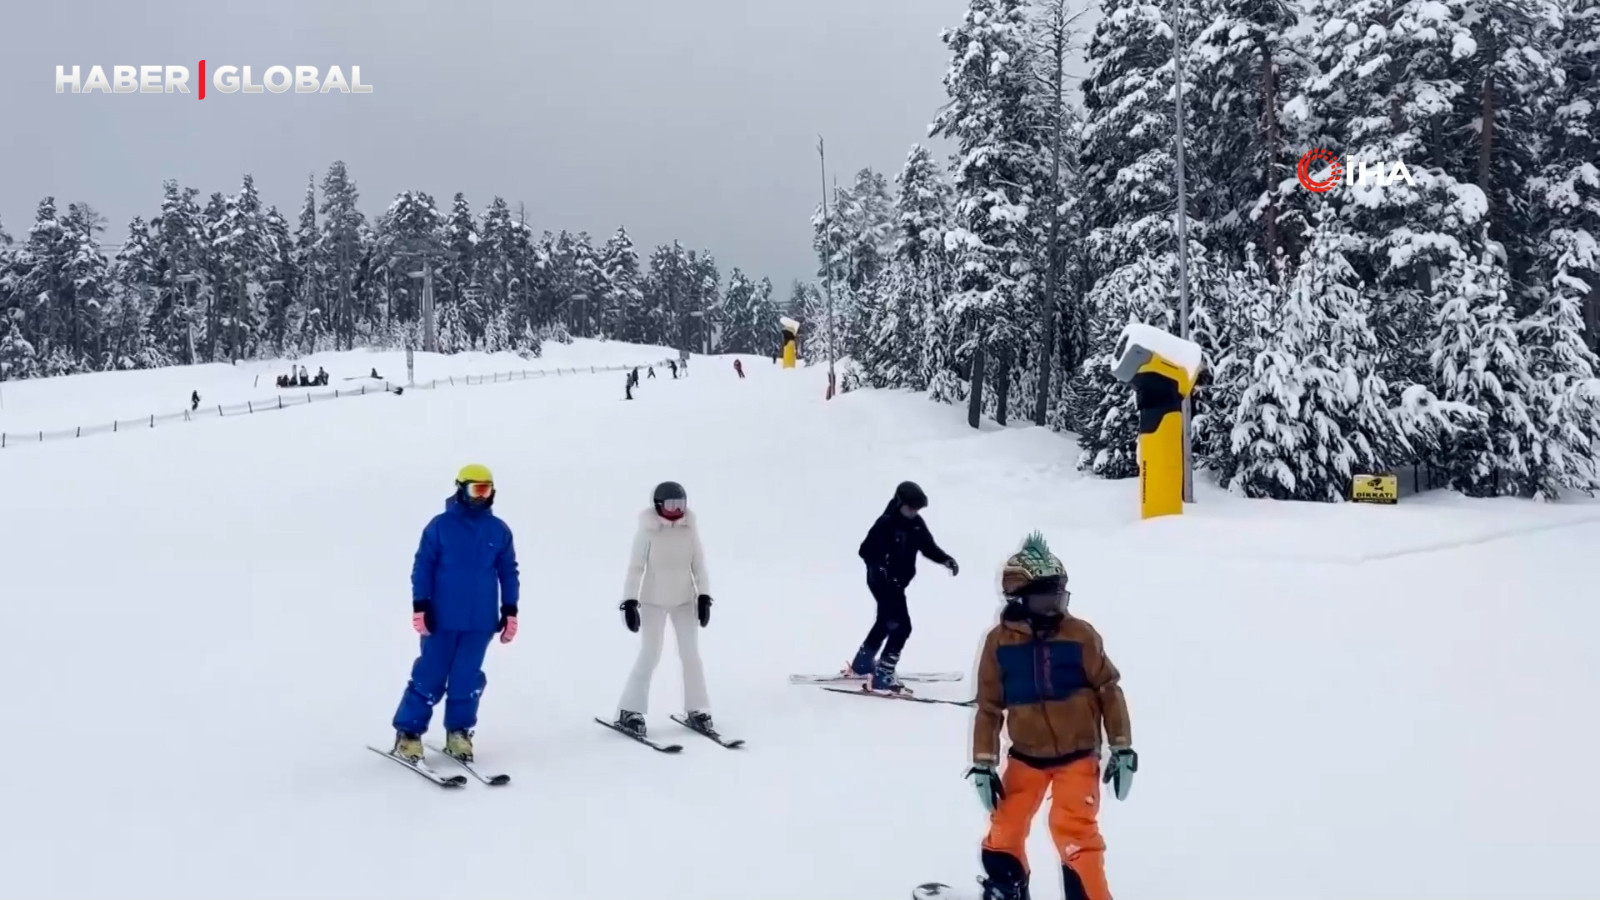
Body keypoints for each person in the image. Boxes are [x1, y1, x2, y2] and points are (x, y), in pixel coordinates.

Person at [967, 533, 1136, 900]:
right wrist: (983, 763)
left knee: (1074, 830)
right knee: (1005, 826)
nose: (1055, 607)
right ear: (1020, 599)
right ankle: (1005, 888)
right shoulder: (999, 643)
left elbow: (1109, 688)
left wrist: (1122, 746)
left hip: (1078, 754)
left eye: (1059, 596)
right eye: (1046, 598)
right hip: (1026, 756)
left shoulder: (1080, 635)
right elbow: (990, 706)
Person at [391, 464, 520, 763]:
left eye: (486, 490)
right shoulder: (440, 526)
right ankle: (409, 734)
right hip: (442, 618)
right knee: (430, 674)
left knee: (467, 678)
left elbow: (508, 572)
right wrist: (420, 604)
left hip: (480, 622)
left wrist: (510, 609)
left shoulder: (498, 530)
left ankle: (459, 733)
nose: (480, 497)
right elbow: (422, 566)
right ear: (460, 489)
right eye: (475, 489)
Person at [613, 481, 715, 737]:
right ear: (658, 505)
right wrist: (630, 601)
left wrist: (703, 596)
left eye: (680, 505)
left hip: (684, 601)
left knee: (691, 655)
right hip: (653, 602)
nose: (676, 510)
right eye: (671, 505)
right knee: (650, 653)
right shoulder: (647, 532)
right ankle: (630, 710)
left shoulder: (689, 531)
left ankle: (697, 708)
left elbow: (699, 566)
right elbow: (636, 569)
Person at [846, 481, 958, 692]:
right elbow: (865, 550)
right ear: (899, 503)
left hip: (897, 583)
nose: (912, 512)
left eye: (916, 509)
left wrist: (945, 559)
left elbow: (928, 547)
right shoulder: (886, 523)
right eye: (909, 508)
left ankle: (862, 663)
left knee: (886, 621)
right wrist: (880, 566)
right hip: (882, 582)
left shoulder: (916, 525)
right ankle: (884, 674)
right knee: (902, 626)